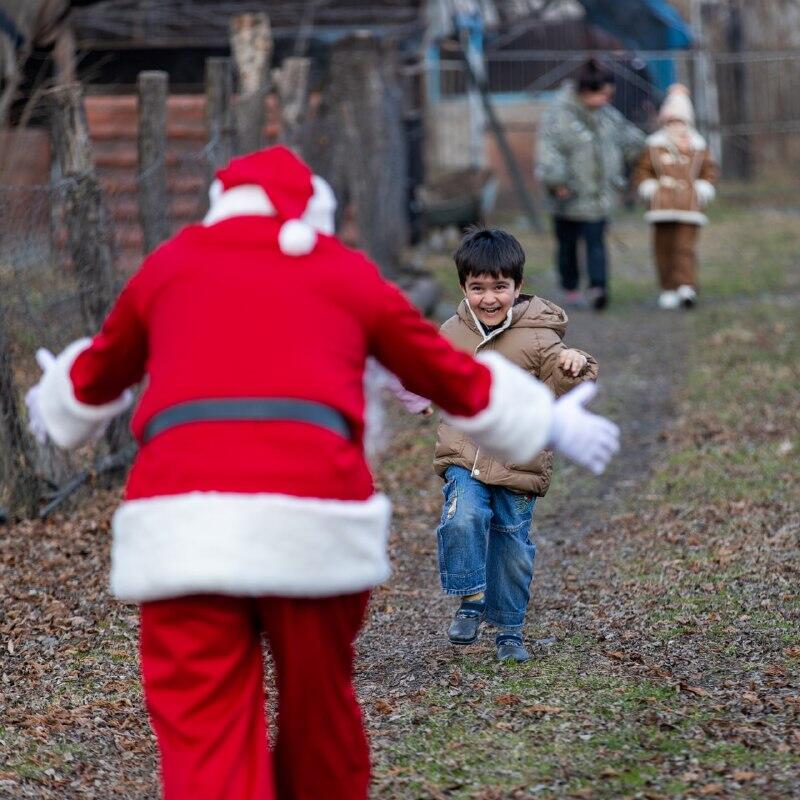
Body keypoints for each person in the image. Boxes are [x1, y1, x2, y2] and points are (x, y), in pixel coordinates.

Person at [24, 146, 619, 800]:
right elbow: (440, 368)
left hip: (180, 523)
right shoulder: (344, 272)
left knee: (203, 728)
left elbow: (86, 389)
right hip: (315, 518)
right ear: (316, 213)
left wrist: (54, 398)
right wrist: (550, 423)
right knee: (321, 713)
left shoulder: (169, 266)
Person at [433, 227, 599, 663]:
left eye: (500, 287)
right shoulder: (451, 333)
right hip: (464, 455)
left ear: (518, 287)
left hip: (520, 459)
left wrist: (572, 366)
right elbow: (428, 372)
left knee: (511, 546)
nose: (489, 298)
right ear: (463, 287)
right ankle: (471, 596)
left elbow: (561, 389)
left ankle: (509, 630)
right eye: (478, 288)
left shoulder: (540, 336)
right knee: (462, 517)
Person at [536, 58, 646, 310]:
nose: (607, 99)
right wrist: (556, 181)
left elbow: (628, 139)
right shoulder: (558, 115)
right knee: (568, 245)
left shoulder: (608, 116)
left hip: (599, 196)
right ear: (586, 91)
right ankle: (570, 287)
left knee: (596, 243)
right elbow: (549, 150)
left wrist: (650, 147)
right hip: (568, 196)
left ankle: (599, 288)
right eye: (604, 94)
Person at [632, 84, 718, 309]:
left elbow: (709, 171)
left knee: (685, 248)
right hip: (661, 207)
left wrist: (703, 187)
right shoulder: (654, 146)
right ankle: (668, 287)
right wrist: (649, 187)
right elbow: (643, 171)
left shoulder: (699, 146)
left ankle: (686, 286)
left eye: (680, 121)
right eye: (671, 121)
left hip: (689, 208)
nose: (676, 126)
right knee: (663, 248)